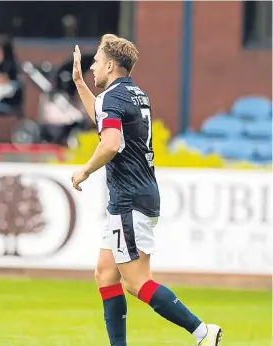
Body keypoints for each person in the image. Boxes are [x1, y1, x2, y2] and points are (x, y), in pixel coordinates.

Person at [70, 34, 223, 346]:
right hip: (135, 196)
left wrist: (85, 169)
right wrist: (79, 84)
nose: (93, 67)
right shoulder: (134, 94)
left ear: (110, 65)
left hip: (128, 199)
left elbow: (110, 142)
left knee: (137, 282)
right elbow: (105, 121)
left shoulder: (113, 98)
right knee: (106, 274)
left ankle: (203, 333)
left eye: (96, 62)